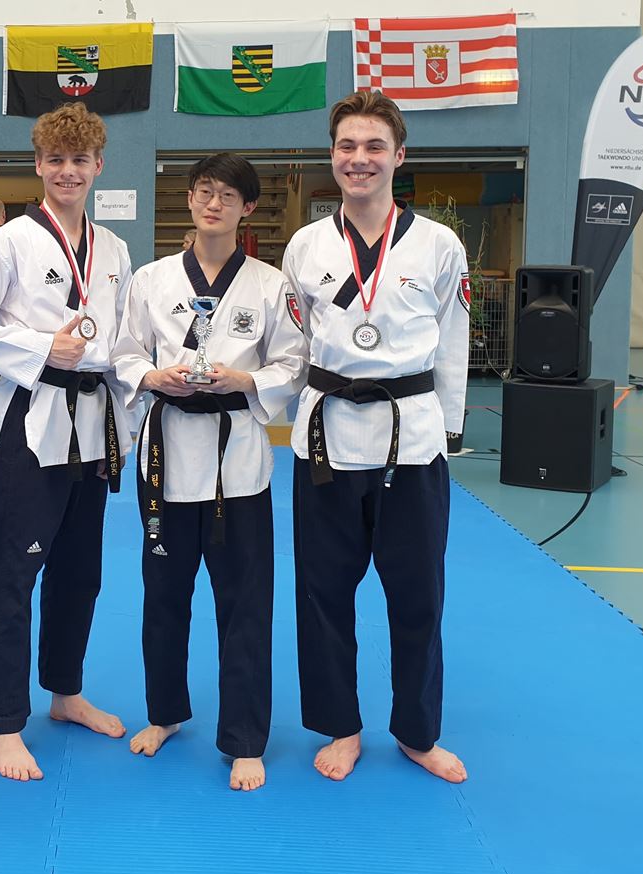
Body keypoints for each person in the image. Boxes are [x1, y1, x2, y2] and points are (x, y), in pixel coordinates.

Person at [282, 90, 470, 785]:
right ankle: (341, 725)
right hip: (326, 440)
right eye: (347, 146)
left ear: (399, 156)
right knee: (322, 594)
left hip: (410, 441)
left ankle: (418, 732)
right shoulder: (306, 245)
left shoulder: (438, 244)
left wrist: (449, 430)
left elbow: (453, 343)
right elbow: (295, 343)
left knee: (418, 595)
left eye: (373, 147)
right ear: (333, 156)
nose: (358, 159)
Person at [0, 101, 132, 782]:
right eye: (56, 160)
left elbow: (123, 338)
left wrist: (134, 414)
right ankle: (3, 724)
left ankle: (65, 691)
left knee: (80, 572)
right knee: (12, 575)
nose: (67, 171)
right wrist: (38, 346)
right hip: (30, 418)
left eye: (79, 160)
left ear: (98, 166)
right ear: (38, 165)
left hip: (94, 422)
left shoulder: (114, 250)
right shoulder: (8, 243)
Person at [113, 153, 306, 791]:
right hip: (165, 458)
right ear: (190, 200)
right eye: (203, 191)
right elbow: (123, 353)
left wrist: (245, 379)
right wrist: (152, 376)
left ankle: (245, 738)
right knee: (163, 597)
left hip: (238, 465)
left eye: (227, 194)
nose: (213, 203)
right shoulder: (151, 279)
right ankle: (164, 713)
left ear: (247, 208)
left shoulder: (271, 285)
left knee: (244, 603)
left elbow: (293, 363)